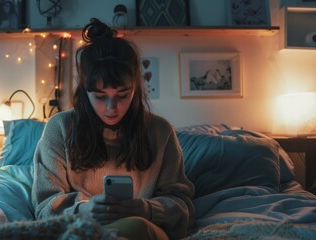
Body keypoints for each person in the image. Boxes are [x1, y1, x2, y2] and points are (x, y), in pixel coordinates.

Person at [31, 18, 195, 240]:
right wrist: (83, 210)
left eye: (122, 95)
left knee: (136, 228)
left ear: (135, 88)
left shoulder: (160, 132)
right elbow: (44, 206)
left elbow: (182, 205)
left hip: (141, 230)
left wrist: (147, 210)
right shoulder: (60, 128)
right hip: (83, 230)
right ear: (85, 91)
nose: (111, 108)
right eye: (100, 96)